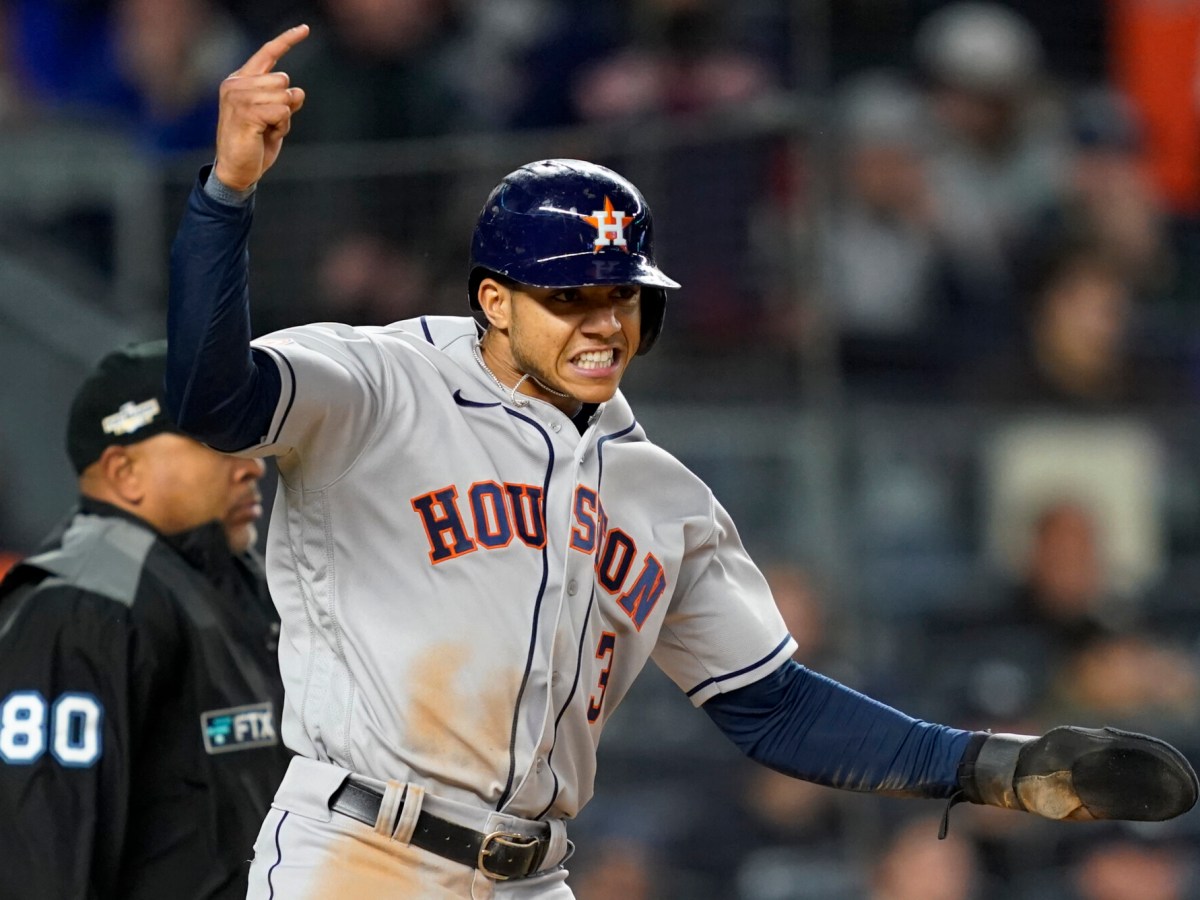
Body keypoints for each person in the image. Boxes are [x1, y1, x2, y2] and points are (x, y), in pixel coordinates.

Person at [165, 26, 1199, 898]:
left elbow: (774, 705)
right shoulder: (377, 383)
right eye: (569, 295)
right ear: (494, 301)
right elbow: (214, 401)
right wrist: (227, 194)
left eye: (621, 294)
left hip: (530, 872)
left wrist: (991, 767)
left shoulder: (659, 494)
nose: (602, 321)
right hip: (363, 851)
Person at [0, 340, 290, 899]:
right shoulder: (82, 607)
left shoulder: (233, 578)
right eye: (218, 441)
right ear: (125, 471)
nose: (253, 466)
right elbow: (41, 862)